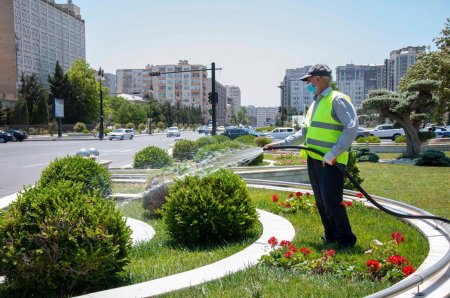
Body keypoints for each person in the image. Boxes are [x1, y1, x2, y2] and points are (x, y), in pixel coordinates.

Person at [264, 64, 358, 249]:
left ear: (318, 79)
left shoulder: (337, 100)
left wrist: (333, 153)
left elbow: (351, 127)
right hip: (314, 159)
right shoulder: (315, 104)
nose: (307, 85)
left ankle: (346, 240)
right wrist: (279, 144)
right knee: (321, 201)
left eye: (309, 81)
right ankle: (331, 235)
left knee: (332, 201)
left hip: (331, 161)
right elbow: (304, 132)